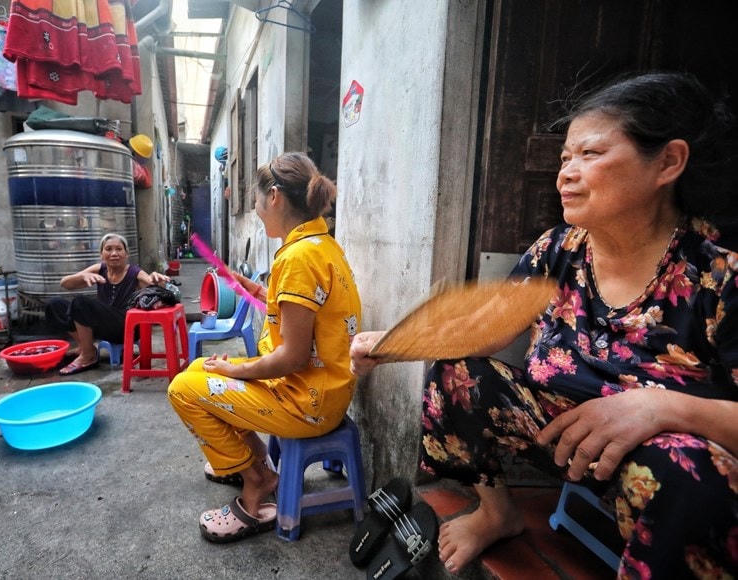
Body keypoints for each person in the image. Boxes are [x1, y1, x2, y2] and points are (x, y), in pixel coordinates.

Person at [350, 72, 738, 577]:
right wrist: (393, 343)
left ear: (668, 162)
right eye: (564, 158)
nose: (566, 174)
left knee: (692, 476)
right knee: (458, 373)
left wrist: (661, 407)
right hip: (560, 431)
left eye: (590, 155)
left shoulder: (718, 275)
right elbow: (486, 331)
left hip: (657, 465)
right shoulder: (560, 249)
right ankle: (497, 513)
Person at [167, 152, 362, 543]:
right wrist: (252, 288)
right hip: (321, 389)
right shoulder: (320, 244)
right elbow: (297, 316)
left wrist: (235, 370)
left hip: (306, 401)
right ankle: (251, 462)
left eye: (255, 201)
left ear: (274, 197)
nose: (255, 210)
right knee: (196, 371)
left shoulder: (298, 259)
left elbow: (291, 356)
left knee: (182, 390)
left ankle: (256, 482)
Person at [45, 232, 170, 375]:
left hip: (125, 327)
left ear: (126, 254)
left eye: (119, 249)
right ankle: (85, 347)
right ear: (101, 254)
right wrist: (81, 276)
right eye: (109, 249)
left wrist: (157, 282)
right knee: (54, 305)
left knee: (80, 302)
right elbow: (65, 284)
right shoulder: (100, 268)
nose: (114, 253)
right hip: (103, 325)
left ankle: (88, 356)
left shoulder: (135, 272)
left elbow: (155, 288)